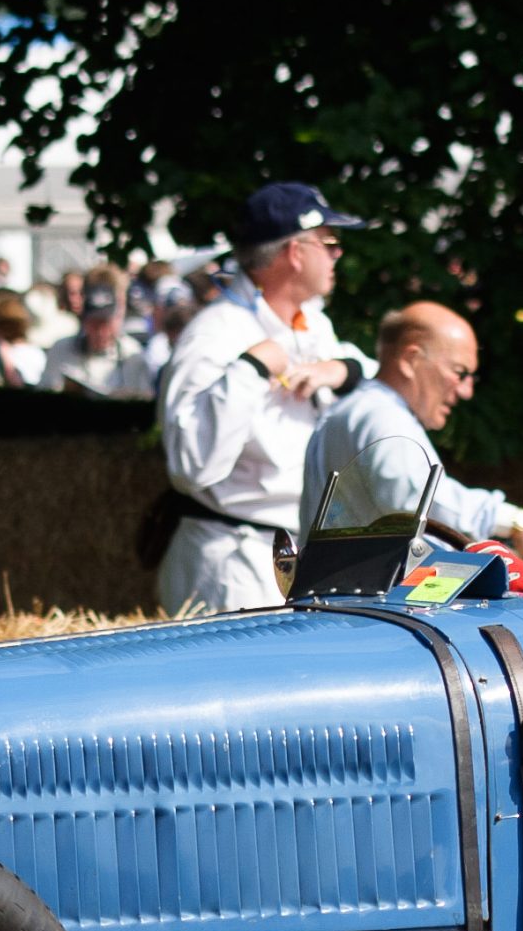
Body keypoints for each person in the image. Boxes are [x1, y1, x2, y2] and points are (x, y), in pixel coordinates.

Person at [158, 181, 373, 613]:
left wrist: (340, 370)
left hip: (298, 553)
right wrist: (252, 369)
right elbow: (191, 465)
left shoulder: (311, 323)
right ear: (296, 252)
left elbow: (369, 373)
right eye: (330, 243)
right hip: (231, 565)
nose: (338, 254)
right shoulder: (214, 334)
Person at [300, 301, 523, 575]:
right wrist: (515, 521)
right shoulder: (383, 417)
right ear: (411, 360)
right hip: (363, 607)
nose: (466, 391)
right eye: (460, 373)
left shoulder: (357, 410)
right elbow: (416, 498)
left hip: (343, 600)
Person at [42, 268, 156, 398]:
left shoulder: (133, 356)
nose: (101, 332)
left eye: (106, 323)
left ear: (118, 316)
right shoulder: (61, 351)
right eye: (94, 323)